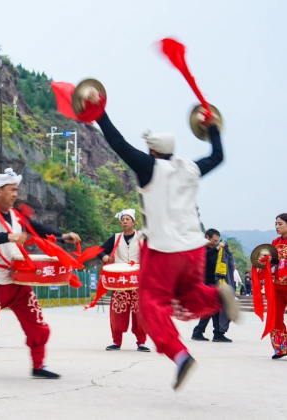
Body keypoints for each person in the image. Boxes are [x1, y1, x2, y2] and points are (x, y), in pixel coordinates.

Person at [85, 89, 238, 390]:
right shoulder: (191, 168)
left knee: (151, 305)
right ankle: (218, 296)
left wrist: (98, 111)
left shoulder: (148, 167)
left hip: (163, 250)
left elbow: (117, 143)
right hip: (193, 248)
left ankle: (180, 356)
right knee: (189, 293)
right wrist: (213, 128)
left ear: (153, 152)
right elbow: (217, 156)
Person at [0, 168, 81, 380]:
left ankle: (39, 365)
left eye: (16, 190)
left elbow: (38, 229)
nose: (15, 194)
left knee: (36, 321)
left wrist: (63, 236)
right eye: (11, 190)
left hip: (17, 278)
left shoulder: (16, 216)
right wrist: (10, 237)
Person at [97, 209, 149, 352]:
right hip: (120, 281)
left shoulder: (142, 237)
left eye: (127, 219)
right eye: (122, 219)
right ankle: (116, 341)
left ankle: (141, 342)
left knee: (140, 312)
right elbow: (99, 250)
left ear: (134, 222)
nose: (124, 221)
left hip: (138, 280)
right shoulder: (116, 238)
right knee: (117, 312)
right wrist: (104, 256)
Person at [191, 229, 233, 343]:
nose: (215, 243)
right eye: (214, 241)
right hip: (205, 283)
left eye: (217, 241)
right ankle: (213, 333)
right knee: (213, 308)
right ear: (207, 237)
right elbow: (202, 256)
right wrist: (216, 248)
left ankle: (204, 332)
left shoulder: (214, 250)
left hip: (214, 283)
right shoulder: (200, 248)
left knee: (214, 308)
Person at [269, 213, 287, 359]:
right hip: (277, 286)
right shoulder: (275, 242)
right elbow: (274, 262)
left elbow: (280, 260)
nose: (277, 226)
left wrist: (275, 259)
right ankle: (281, 348)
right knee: (275, 316)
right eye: (276, 223)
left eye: (280, 224)